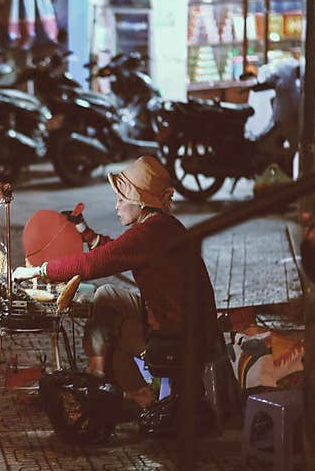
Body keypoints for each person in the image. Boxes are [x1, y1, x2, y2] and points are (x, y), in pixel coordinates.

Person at [13, 156, 222, 434]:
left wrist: (41, 270)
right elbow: (117, 251)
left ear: (139, 202)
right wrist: (85, 233)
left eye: (121, 199)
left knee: (108, 324)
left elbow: (94, 263)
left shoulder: (151, 233)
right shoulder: (160, 226)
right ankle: (129, 392)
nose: (116, 206)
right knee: (107, 300)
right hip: (174, 318)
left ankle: (101, 383)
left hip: (178, 332)